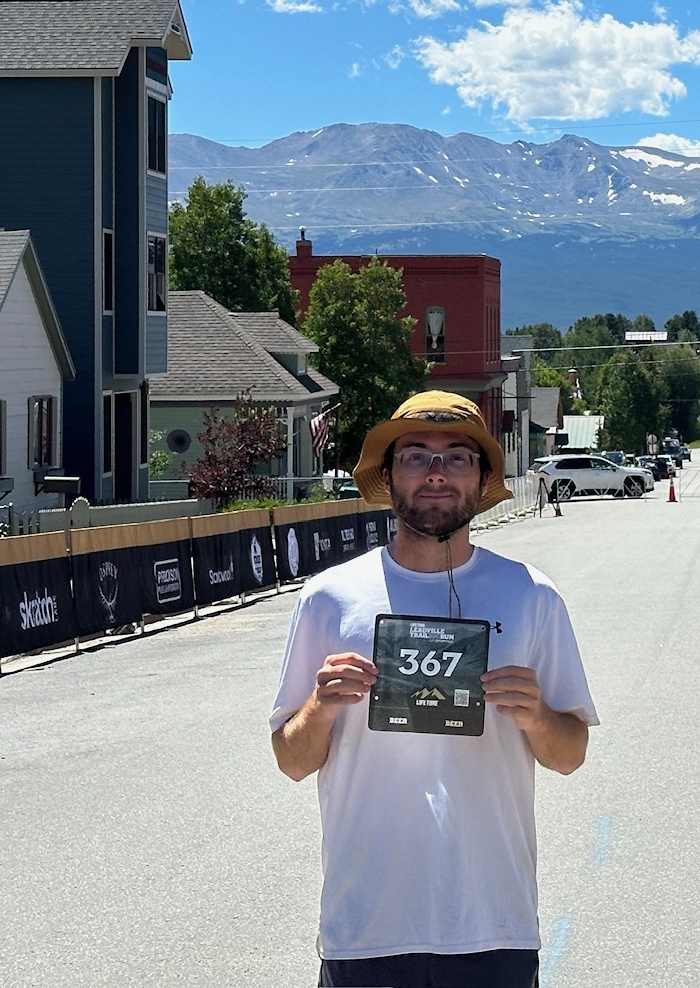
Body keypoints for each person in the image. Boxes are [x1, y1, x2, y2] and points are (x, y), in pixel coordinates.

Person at [270, 391, 598, 987]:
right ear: (389, 475)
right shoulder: (330, 599)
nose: (437, 473)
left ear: (482, 479)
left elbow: (570, 754)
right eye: (416, 456)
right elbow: (291, 760)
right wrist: (318, 708)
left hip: (493, 927)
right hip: (366, 928)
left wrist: (537, 716)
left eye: (458, 458)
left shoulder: (532, 597)